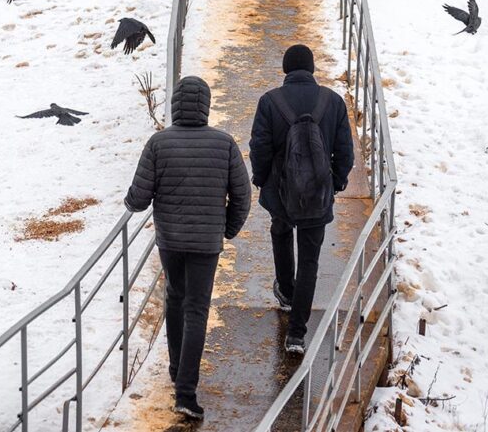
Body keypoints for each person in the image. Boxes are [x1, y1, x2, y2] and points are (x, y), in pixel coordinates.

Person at [125, 76, 251, 420]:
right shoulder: (224, 144)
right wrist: (226, 229)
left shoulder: (158, 144)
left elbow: (137, 200)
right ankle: (186, 391)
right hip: (206, 244)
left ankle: (176, 369)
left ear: (176, 104)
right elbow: (242, 196)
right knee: (197, 309)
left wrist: (133, 196)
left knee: (174, 299)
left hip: (171, 241)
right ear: (206, 106)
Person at [248, 44, 354, 355]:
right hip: (318, 195)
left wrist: (262, 180)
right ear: (311, 69)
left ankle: (287, 291)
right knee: (310, 260)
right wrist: (334, 183)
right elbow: (344, 152)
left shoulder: (270, 102)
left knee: (280, 233)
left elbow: (260, 148)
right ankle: (296, 332)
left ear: (285, 69)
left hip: (281, 193)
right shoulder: (332, 102)